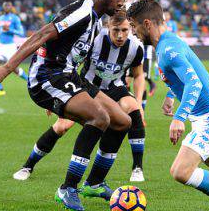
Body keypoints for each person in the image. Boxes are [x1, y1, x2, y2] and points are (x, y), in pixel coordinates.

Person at [0, 0, 132, 211]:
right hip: (47, 76)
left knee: (122, 121)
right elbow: (42, 34)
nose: (122, 1)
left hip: (69, 76)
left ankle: (94, 183)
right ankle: (68, 188)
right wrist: (8, 67)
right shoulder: (81, 12)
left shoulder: (96, 17)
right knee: (99, 117)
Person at [126, 0, 209, 211]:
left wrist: (179, 118)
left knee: (180, 171)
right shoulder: (168, 41)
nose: (132, 32)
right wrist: (172, 95)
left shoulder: (168, 50)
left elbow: (194, 84)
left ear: (146, 23)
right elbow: (187, 75)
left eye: (133, 26)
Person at [13, 11, 147, 183]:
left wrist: (140, 102)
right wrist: (58, 96)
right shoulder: (96, 41)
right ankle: (28, 165)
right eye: (116, 30)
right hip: (87, 86)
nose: (120, 35)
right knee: (61, 126)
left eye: (124, 30)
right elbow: (71, 65)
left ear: (130, 29)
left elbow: (139, 75)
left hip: (116, 88)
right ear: (108, 27)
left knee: (133, 109)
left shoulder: (136, 47)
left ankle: (137, 168)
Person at [0, 1, 27, 96]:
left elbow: (21, 33)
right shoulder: (0, 18)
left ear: (11, 7)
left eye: (8, 5)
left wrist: (9, 29)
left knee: (13, 68)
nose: (6, 7)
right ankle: (0, 89)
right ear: (3, 7)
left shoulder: (15, 18)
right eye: (5, 5)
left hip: (9, 46)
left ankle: (29, 80)